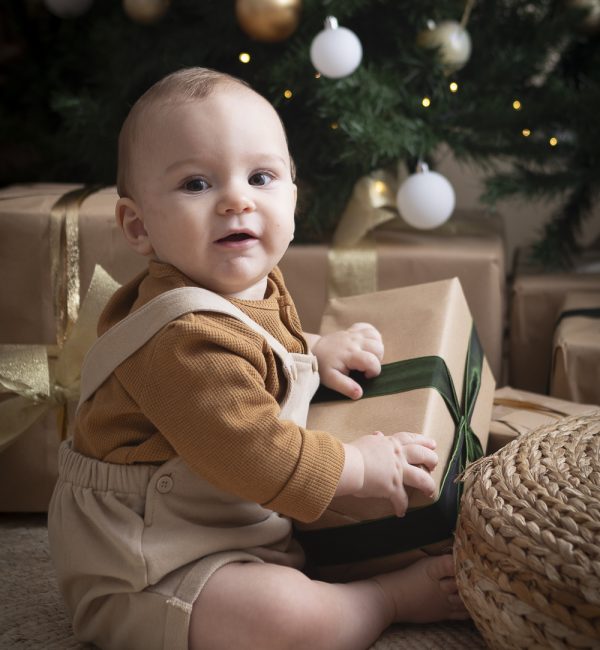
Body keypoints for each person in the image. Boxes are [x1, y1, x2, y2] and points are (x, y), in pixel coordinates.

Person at [48, 67, 468, 650]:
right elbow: (257, 453)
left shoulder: (251, 283)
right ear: (138, 226)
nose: (237, 201)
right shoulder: (182, 338)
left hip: (228, 523)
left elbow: (259, 347)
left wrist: (315, 352)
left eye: (262, 176)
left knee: (336, 545)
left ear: (293, 194)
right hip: (149, 564)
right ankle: (383, 601)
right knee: (287, 619)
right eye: (197, 184)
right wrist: (359, 467)